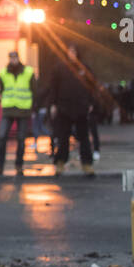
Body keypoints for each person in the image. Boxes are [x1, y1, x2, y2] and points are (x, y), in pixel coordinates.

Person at [46, 43, 96, 176]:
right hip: (64, 107)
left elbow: (92, 87)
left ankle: (87, 164)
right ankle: (60, 163)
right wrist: (53, 104)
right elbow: (53, 88)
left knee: (84, 137)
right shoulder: (60, 68)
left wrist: (90, 102)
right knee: (63, 137)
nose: (72, 54)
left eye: (74, 51)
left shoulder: (85, 68)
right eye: (70, 51)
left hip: (81, 107)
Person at [0, 50, 36, 176]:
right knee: (1, 137)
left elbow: (34, 89)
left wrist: (33, 107)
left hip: (23, 110)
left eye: (15, 58)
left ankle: (19, 166)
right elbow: (0, 89)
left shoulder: (28, 72)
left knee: (21, 139)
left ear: (18, 58)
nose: (13, 60)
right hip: (8, 109)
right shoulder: (3, 72)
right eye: (11, 58)